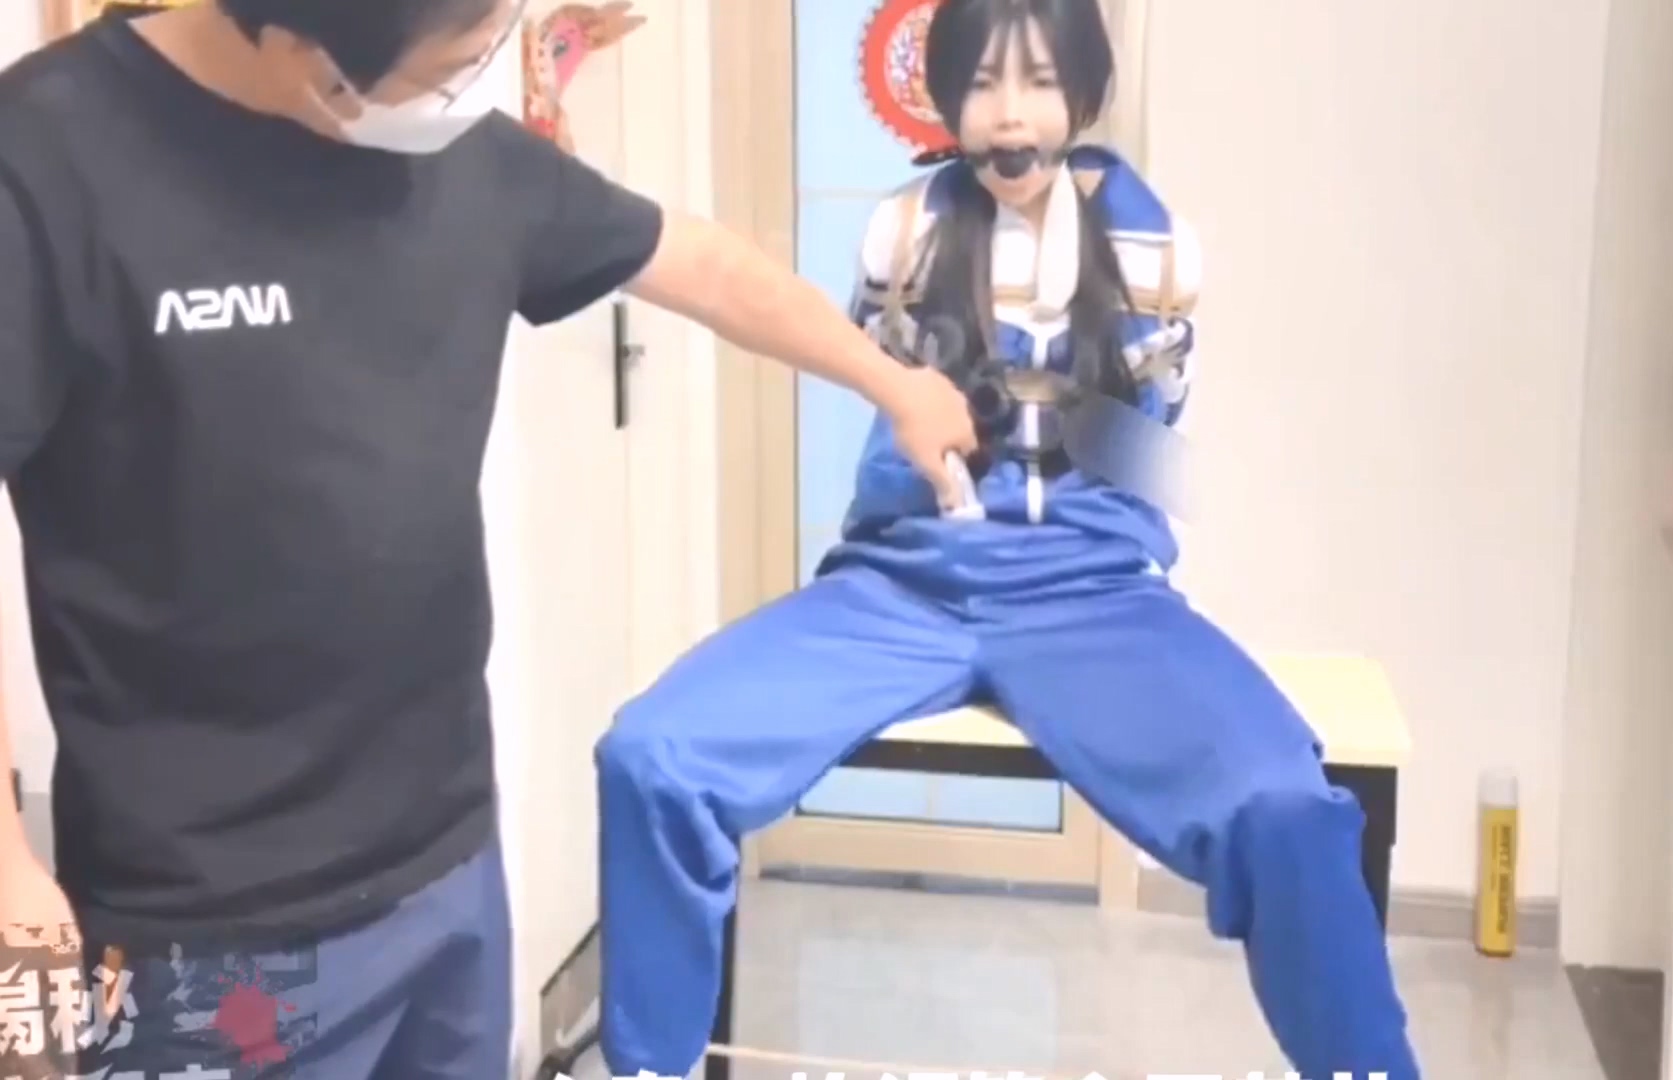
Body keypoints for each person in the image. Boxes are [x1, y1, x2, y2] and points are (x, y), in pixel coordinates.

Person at [0, 0, 976, 1075]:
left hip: (448, 868)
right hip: (204, 938)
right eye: (455, 67)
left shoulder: (465, 156)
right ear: (304, 51)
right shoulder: (46, 159)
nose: (477, 90)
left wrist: (891, 381)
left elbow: (698, 262)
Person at [594, 0, 1424, 1077]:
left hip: (1092, 595)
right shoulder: (902, 234)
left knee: (1286, 807)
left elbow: (1163, 469)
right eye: (982, 83)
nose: (1009, 115)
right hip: (902, 587)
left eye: (1037, 81)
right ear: (944, 98)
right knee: (653, 756)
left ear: (1083, 91)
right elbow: (883, 399)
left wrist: (1071, 418)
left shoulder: (1157, 248)